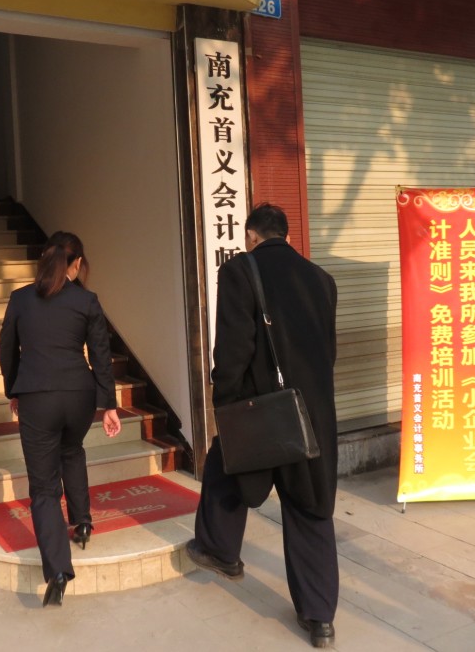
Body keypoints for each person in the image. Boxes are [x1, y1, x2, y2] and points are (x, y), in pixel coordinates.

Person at [186, 204, 339, 648]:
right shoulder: (322, 280)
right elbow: (327, 352)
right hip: (312, 416)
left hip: (260, 409)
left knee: (226, 468)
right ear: (286, 237)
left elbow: (232, 350)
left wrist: (224, 405)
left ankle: (221, 551)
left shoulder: (240, 271)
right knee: (310, 508)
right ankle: (320, 619)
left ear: (251, 236)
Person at [0, 231, 122, 607]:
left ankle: (57, 571)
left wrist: (14, 389)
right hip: (79, 395)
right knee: (72, 450)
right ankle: (82, 522)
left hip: (38, 396)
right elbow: (100, 354)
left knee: (44, 487)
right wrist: (109, 404)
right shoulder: (86, 300)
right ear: (77, 263)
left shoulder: (21, 298)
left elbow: (6, 350)